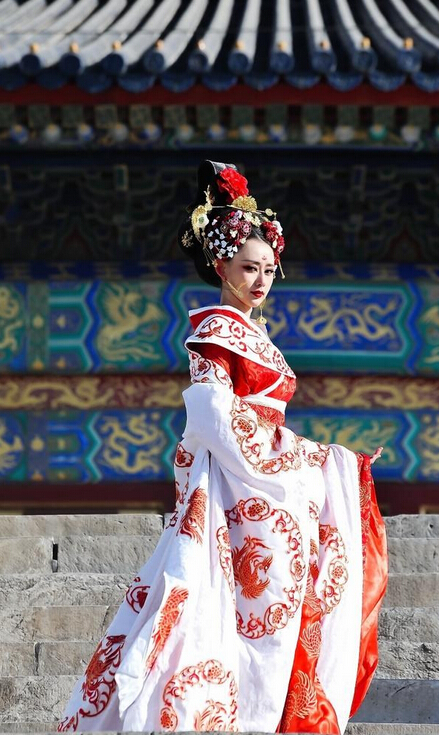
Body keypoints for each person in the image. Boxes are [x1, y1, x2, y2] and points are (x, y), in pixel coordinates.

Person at [57, 160, 388, 734]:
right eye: (248, 268)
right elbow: (213, 415)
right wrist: (300, 457)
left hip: (270, 486)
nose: (261, 281)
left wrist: (317, 458)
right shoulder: (215, 331)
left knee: (273, 613)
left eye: (268, 269)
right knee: (243, 614)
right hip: (240, 488)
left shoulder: (254, 333)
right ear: (221, 266)